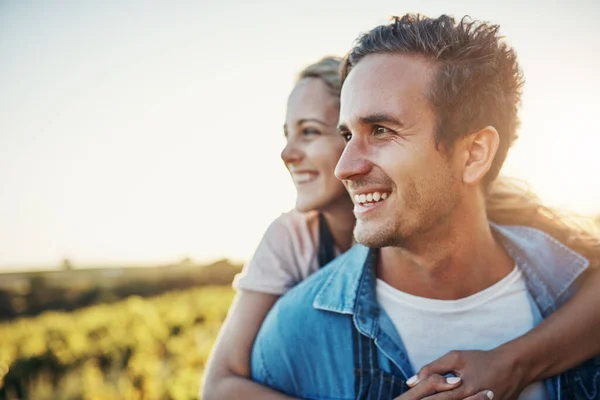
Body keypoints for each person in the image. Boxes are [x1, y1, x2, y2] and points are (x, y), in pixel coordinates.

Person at [243, 15, 600, 400]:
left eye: (380, 130)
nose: (344, 167)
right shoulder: (292, 339)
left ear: (474, 154)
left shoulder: (575, 288)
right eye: (347, 135)